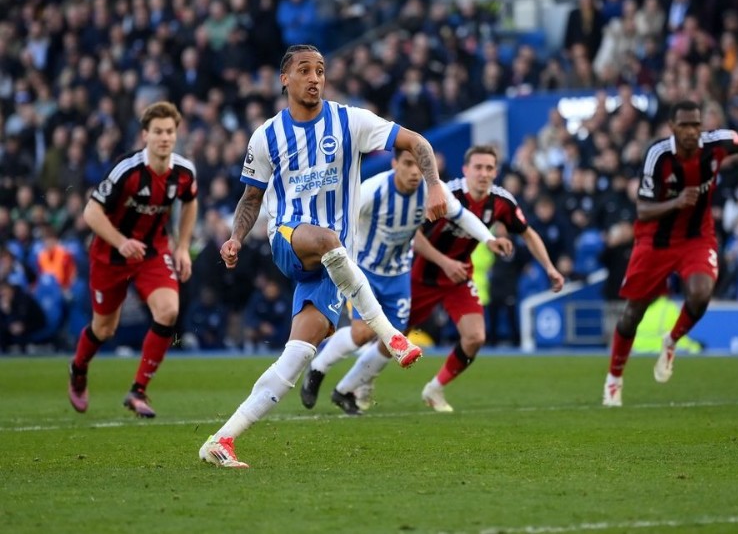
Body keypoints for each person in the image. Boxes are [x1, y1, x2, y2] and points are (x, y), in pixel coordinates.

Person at [199, 44, 447, 469]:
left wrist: (435, 185)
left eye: (321, 70)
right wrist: (237, 236)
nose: (315, 78)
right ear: (285, 79)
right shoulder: (267, 136)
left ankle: (222, 439)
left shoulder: (349, 121)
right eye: (304, 70)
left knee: (297, 356)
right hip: (290, 239)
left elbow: (417, 141)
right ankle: (390, 333)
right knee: (328, 238)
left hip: (333, 264)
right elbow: (251, 197)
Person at [299, 146, 512, 414]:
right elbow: (338, 222)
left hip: (399, 273)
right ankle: (318, 368)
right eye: (408, 164)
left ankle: (344, 390)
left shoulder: (431, 191)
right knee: (364, 332)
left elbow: (462, 215)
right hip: (365, 270)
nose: (414, 172)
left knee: (394, 341)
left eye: (419, 167)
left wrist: (489, 239)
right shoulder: (372, 190)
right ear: (395, 164)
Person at [603, 100, 738, 406]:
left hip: (697, 236)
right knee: (633, 313)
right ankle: (614, 378)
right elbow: (642, 209)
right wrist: (676, 202)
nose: (692, 131)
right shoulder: (658, 155)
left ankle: (671, 341)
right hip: (657, 240)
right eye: (685, 125)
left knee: (701, 293)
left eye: (696, 124)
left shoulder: (716, 144)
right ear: (672, 127)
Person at [410, 144, 565, 412]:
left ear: (496, 171)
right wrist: (445, 262)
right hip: (422, 275)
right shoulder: (445, 194)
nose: (483, 173)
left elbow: (527, 233)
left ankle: (435, 388)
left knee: (475, 337)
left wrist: (550, 268)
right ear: (465, 170)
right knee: (391, 337)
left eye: (489, 168)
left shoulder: (502, 202)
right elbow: (414, 235)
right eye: (478, 167)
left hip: (458, 278)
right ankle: (360, 383)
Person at [68, 101, 198, 418]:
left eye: (169, 131)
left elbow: (190, 202)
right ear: (145, 135)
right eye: (158, 132)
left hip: (152, 252)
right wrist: (121, 241)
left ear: (176, 134)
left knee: (168, 311)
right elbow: (91, 211)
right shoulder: (127, 170)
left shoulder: (183, 171)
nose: (164, 138)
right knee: (104, 328)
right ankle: (79, 368)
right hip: (111, 254)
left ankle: (138, 391)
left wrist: (182, 247)